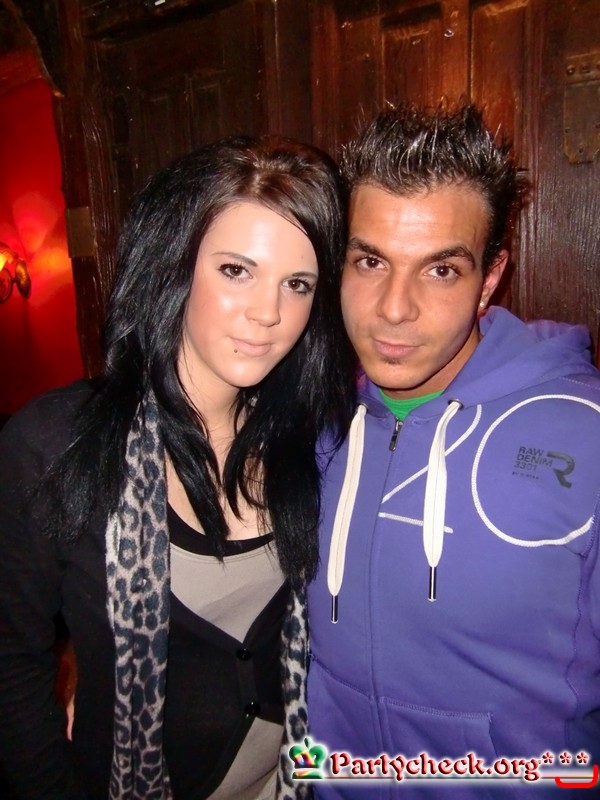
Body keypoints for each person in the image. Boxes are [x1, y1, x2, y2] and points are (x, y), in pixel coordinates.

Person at [0, 134, 355, 800]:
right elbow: (12, 667)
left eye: (297, 284)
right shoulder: (56, 443)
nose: (269, 313)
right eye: (236, 270)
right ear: (175, 264)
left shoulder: (315, 441)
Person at [284, 104, 600, 798]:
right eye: (370, 261)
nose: (394, 308)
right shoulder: (312, 420)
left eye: (441, 270)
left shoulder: (585, 437)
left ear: (490, 278)